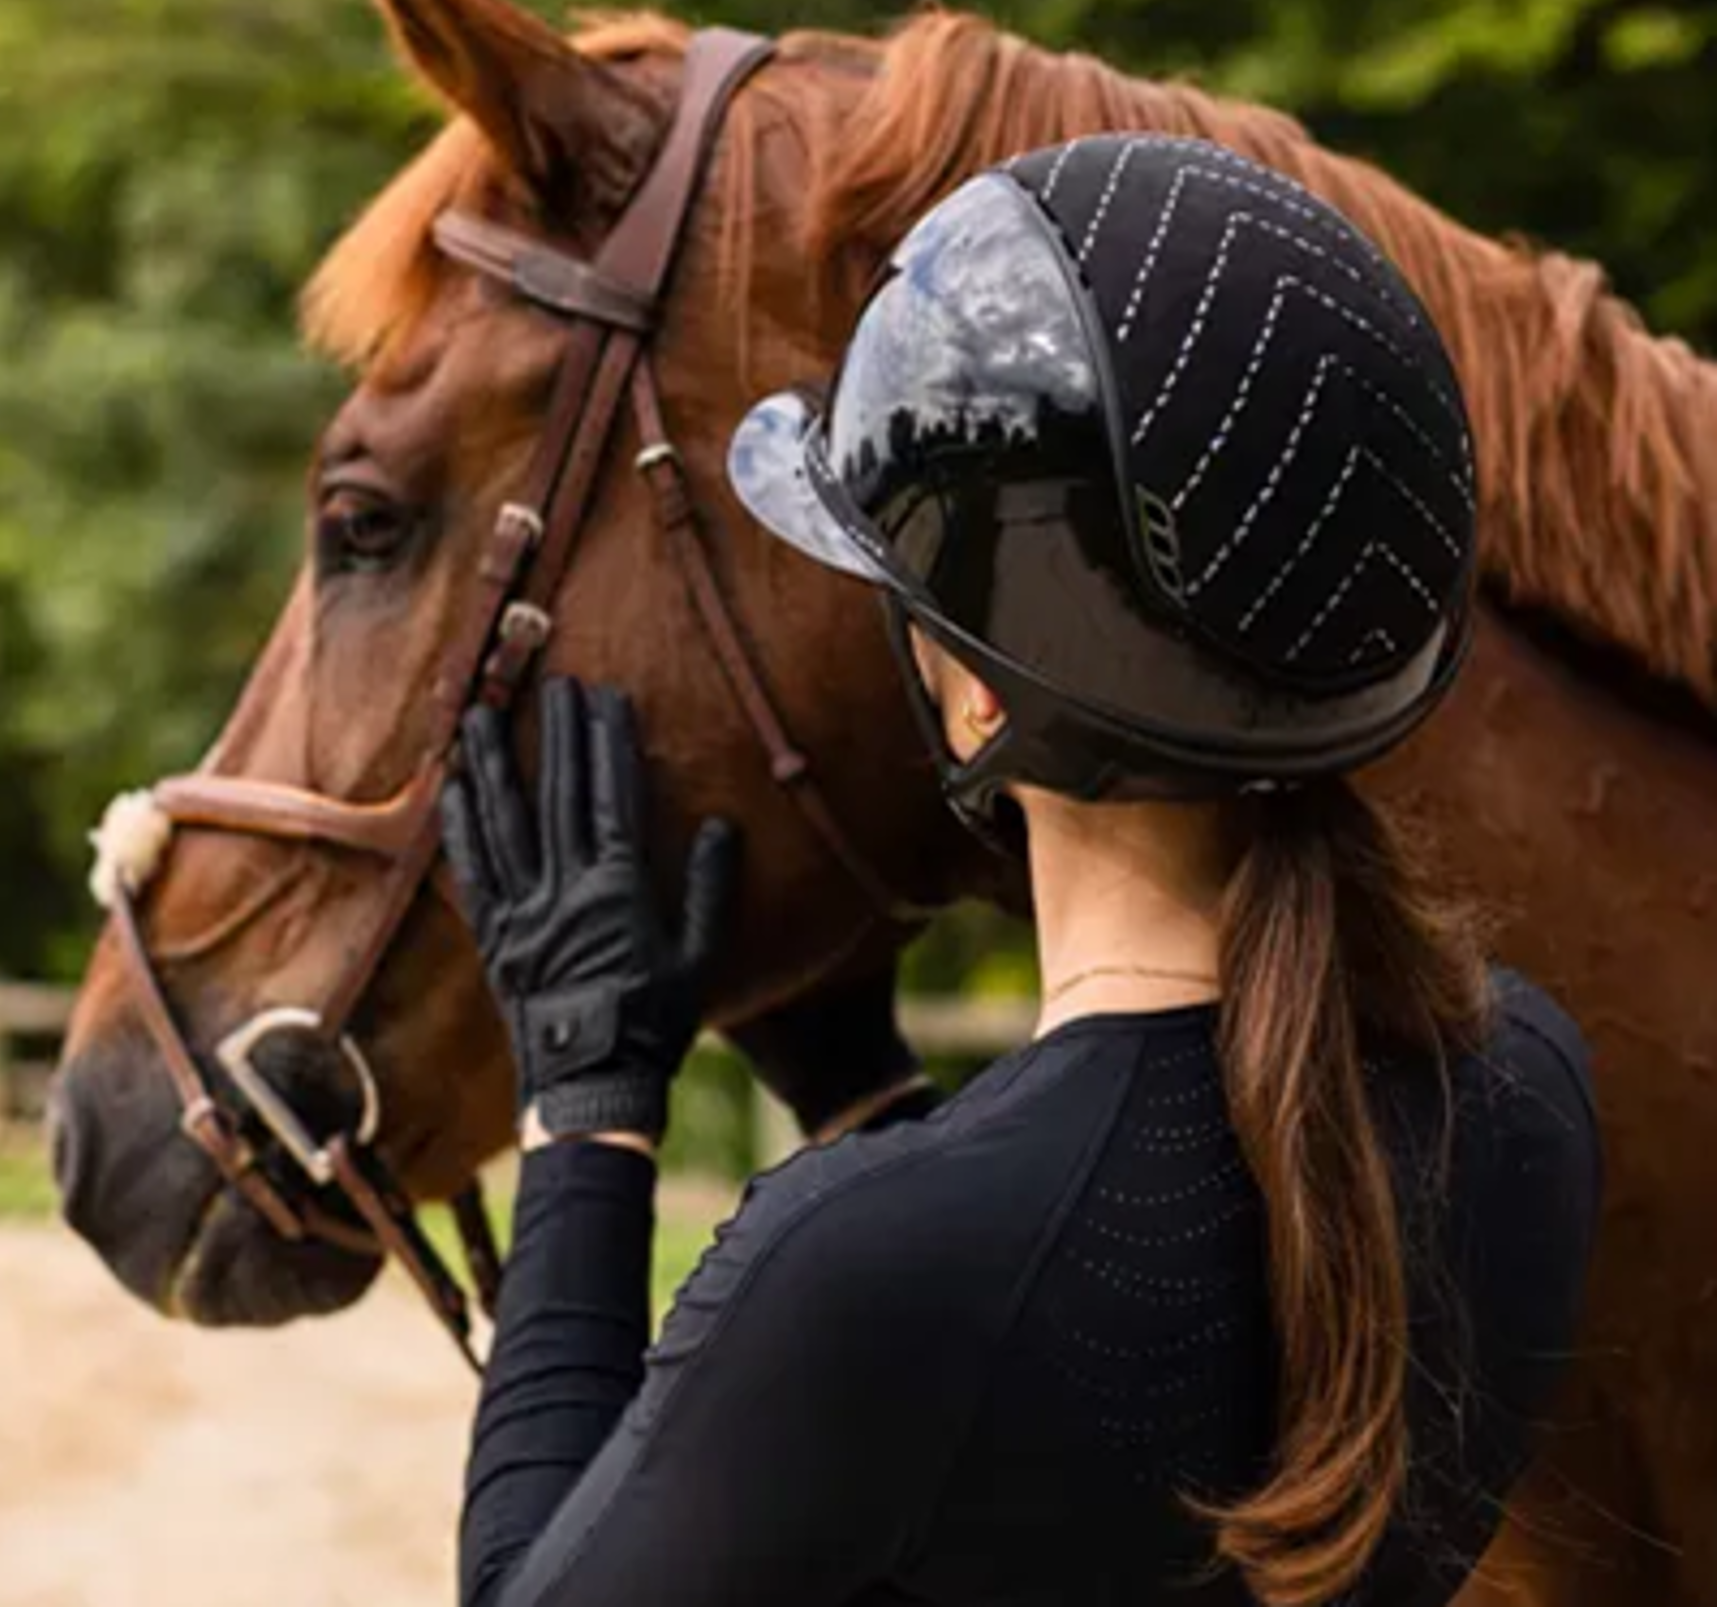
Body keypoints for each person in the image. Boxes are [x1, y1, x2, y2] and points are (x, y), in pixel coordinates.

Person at [438, 135, 1602, 1607]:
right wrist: (860, 1089)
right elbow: (1085, 1372)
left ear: (981, 701)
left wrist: (585, 1113)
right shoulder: (1526, 1090)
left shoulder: (858, 1268)